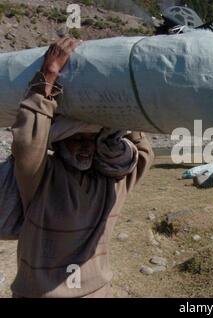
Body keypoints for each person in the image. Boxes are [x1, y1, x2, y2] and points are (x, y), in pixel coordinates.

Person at [9, 37, 154, 298]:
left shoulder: (112, 182)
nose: (85, 147)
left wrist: (125, 112)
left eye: (91, 139)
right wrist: (49, 74)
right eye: (76, 139)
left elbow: (142, 153)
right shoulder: (42, 179)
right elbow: (28, 144)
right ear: (58, 143)